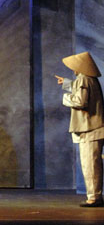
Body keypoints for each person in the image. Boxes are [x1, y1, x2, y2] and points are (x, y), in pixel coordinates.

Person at [55, 51, 104, 207]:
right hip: (93, 128)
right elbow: (81, 88)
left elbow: (80, 101)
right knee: (92, 163)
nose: (73, 69)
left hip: (90, 129)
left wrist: (65, 98)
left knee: (90, 164)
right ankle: (95, 196)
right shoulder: (89, 79)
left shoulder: (84, 79)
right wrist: (66, 83)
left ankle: (94, 197)